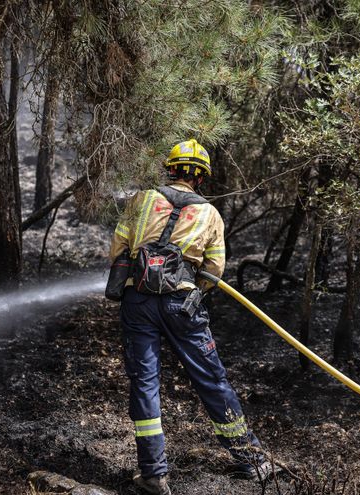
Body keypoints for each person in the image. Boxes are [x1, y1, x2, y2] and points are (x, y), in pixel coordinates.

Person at [109, 139, 280, 495]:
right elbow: (214, 270)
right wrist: (192, 287)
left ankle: (154, 475)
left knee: (144, 382)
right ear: (200, 177)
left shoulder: (141, 200)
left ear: (170, 169)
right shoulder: (210, 215)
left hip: (137, 303)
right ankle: (252, 461)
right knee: (211, 379)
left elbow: (118, 247)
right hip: (183, 306)